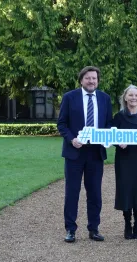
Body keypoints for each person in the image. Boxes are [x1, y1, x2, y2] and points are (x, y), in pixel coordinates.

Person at [57, 66, 112, 243]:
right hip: (75, 152)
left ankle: (94, 228)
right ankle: (70, 229)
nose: (91, 81)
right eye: (88, 78)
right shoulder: (69, 97)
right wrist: (72, 139)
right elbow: (62, 124)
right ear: (81, 80)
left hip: (95, 152)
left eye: (94, 78)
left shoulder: (105, 99)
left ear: (98, 80)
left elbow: (109, 124)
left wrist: (108, 138)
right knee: (72, 192)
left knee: (95, 192)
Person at [113, 85, 137, 239]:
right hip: (124, 159)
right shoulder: (118, 117)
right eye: (131, 95)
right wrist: (118, 142)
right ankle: (127, 224)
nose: (133, 98)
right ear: (125, 97)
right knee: (125, 190)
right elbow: (110, 135)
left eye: (136, 96)